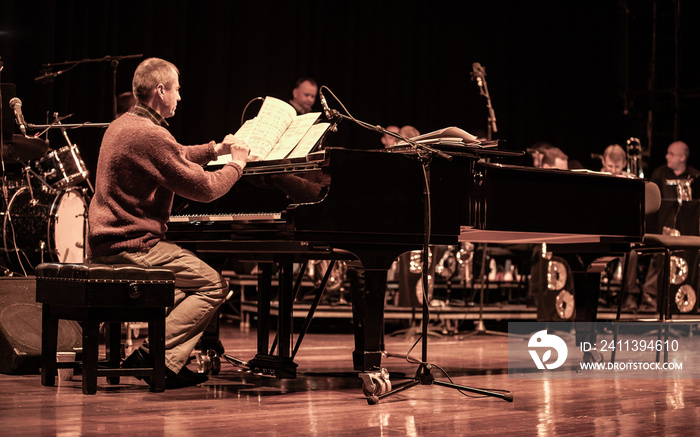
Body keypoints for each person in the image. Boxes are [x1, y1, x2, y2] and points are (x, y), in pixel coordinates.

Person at [87, 57, 250, 389]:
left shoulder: (123, 124)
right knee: (213, 285)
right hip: (133, 247)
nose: (180, 96)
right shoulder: (150, 135)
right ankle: (155, 357)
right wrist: (236, 164)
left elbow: (174, 153)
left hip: (107, 244)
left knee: (179, 293)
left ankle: (166, 359)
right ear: (160, 90)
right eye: (176, 89)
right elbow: (206, 189)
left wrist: (216, 148)